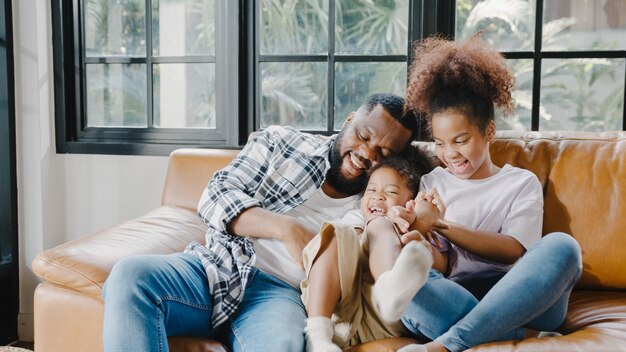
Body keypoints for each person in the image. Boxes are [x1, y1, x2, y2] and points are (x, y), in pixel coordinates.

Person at [101, 93, 420, 352]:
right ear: (350, 119)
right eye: (363, 136)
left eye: (383, 152)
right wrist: (286, 229)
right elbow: (215, 195)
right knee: (130, 276)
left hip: (281, 295)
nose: (365, 153)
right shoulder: (282, 143)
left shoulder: (376, 200)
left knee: (278, 346)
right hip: (217, 268)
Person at [391, 36, 583, 352]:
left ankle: (447, 344)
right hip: (458, 295)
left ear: (489, 132)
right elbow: (442, 264)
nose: (449, 153)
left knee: (563, 246)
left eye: (461, 140)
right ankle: (520, 334)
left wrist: (442, 224)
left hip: (524, 296)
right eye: (440, 142)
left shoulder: (521, 183)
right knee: (407, 282)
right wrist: (418, 240)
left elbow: (512, 251)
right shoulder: (432, 181)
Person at [301, 148, 446, 352]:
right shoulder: (355, 218)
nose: (378, 197)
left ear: (410, 201)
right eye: (371, 190)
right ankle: (317, 338)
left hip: (379, 321)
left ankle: (391, 290)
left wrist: (417, 227)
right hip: (337, 310)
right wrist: (387, 226)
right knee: (336, 231)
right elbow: (353, 246)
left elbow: (441, 267)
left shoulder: (422, 229)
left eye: (391, 192)